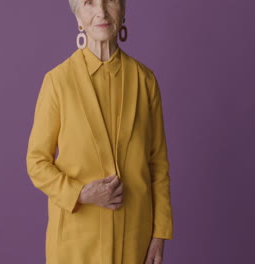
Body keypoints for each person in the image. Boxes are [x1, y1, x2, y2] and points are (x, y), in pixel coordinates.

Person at [26, 0, 173, 263]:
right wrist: (80, 194)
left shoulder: (145, 81)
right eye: (89, 3)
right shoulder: (57, 82)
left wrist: (159, 235)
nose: (102, 12)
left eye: (111, 1)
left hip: (134, 239)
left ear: (123, 10)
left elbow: (158, 165)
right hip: (76, 241)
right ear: (78, 18)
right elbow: (36, 162)